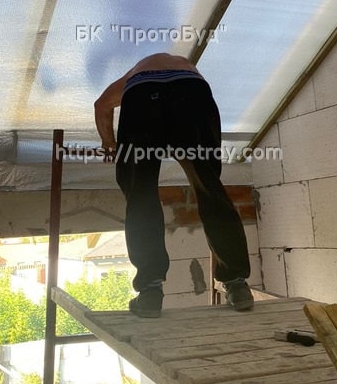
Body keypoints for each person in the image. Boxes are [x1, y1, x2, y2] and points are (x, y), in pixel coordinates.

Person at [94, 52, 253, 318]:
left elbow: (101, 105)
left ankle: (150, 292)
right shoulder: (186, 67)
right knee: (210, 188)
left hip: (142, 95)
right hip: (192, 92)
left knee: (140, 194)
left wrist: (109, 144)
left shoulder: (136, 72)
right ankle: (237, 284)